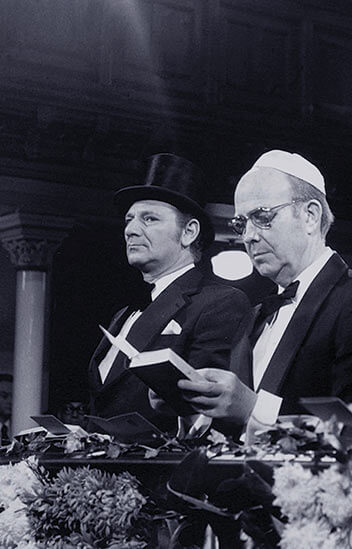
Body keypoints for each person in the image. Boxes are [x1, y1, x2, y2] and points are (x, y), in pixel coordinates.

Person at [156, 150, 352, 436]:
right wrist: (191, 407)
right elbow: (238, 428)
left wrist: (254, 410)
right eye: (241, 224)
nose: (248, 236)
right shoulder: (255, 315)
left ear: (310, 216)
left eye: (262, 217)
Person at [87, 153, 251, 432]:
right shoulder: (123, 315)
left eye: (149, 219)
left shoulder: (221, 303)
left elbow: (204, 413)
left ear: (189, 232)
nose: (131, 230)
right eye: (129, 219)